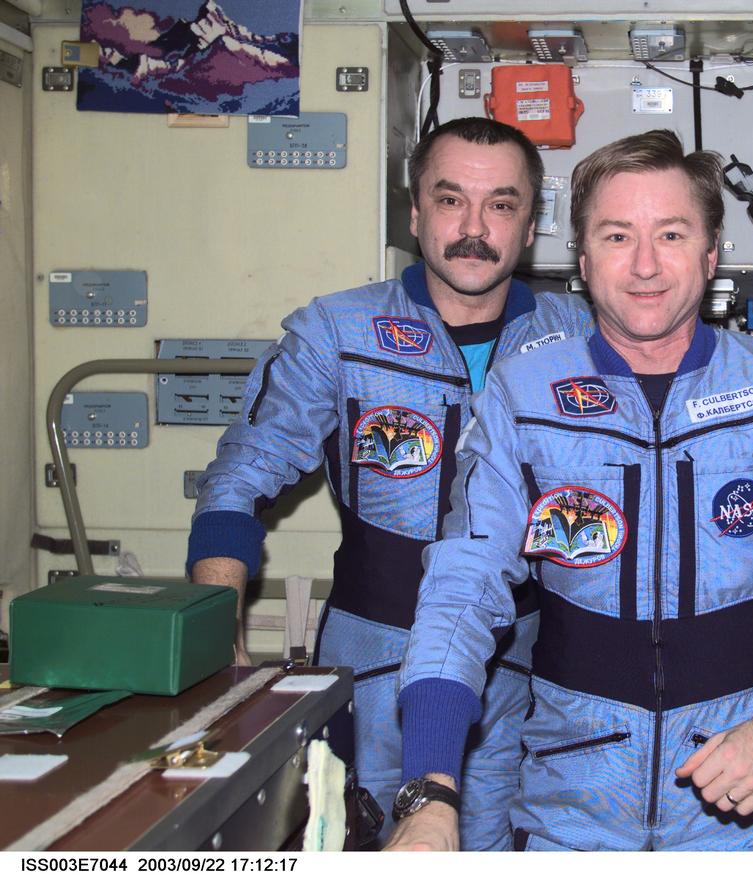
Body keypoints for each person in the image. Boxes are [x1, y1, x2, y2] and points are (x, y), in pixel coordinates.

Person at [385, 129, 753, 852]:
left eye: (672, 234)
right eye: (618, 235)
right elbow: (462, 591)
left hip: (735, 798)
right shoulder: (525, 394)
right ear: (581, 261)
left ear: (712, 254)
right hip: (569, 801)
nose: (646, 264)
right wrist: (429, 791)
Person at [186, 117, 593, 848]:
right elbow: (242, 474)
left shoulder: (581, 342)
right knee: (375, 838)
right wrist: (222, 624)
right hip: (379, 655)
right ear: (413, 213)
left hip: (527, 660)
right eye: (450, 200)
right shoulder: (338, 333)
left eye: (501, 204)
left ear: (531, 226)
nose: (474, 227)